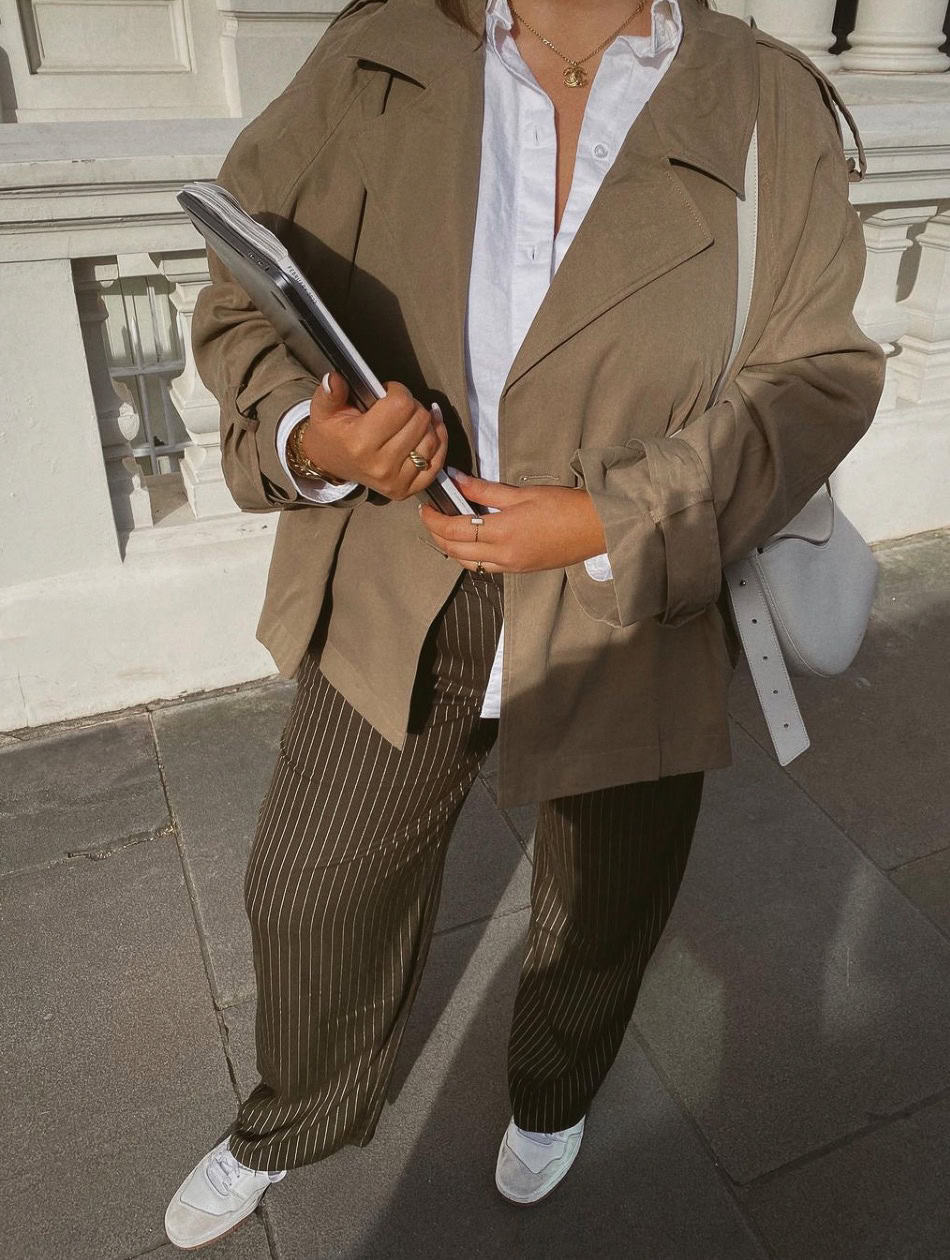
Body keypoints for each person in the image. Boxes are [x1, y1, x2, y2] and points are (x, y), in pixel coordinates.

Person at [164, 0, 886, 1247]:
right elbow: (242, 296)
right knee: (308, 888)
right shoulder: (379, 49)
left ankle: (553, 1092)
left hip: (631, 597)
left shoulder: (763, 94)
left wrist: (609, 515)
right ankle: (293, 1115)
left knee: (600, 906)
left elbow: (813, 373)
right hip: (403, 572)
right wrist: (312, 432)